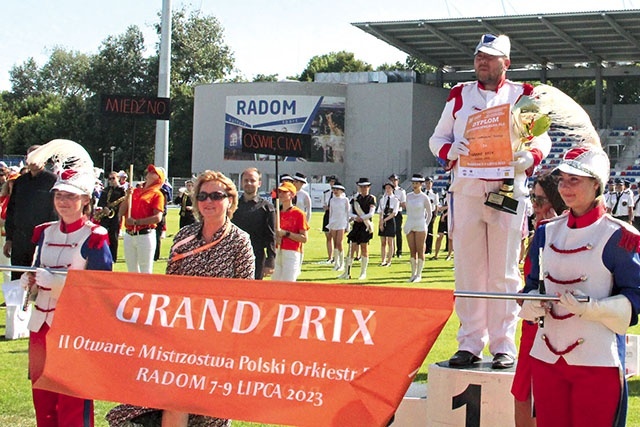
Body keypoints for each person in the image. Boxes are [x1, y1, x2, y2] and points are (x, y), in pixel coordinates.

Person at [429, 33, 552, 369]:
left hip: (508, 190)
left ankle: (503, 344)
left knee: (504, 272)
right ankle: (469, 343)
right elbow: (437, 138)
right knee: (469, 271)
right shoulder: (459, 95)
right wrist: (449, 151)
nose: (482, 61)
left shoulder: (523, 95)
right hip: (467, 191)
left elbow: (541, 137)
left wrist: (530, 158)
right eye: (478, 56)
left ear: (505, 63)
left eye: (490, 57)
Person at [519, 147, 640, 427]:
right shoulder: (546, 231)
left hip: (598, 361)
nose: (565, 187)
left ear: (596, 183)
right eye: (562, 180)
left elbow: (634, 300)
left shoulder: (621, 237)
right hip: (546, 358)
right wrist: (531, 301)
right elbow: (531, 285)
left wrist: (594, 308)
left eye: (575, 180)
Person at [21, 166, 113, 427]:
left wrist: (59, 283)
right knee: (43, 396)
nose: (63, 201)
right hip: (41, 325)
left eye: (71, 196)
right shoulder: (45, 232)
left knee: (73, 396)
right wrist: (32, 282)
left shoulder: (95, 237)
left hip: (76, 328)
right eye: (59, 194)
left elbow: (101, 290)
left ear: (85, 200)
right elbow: (37, 270)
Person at [511, 172, 566, 427]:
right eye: (532, 196)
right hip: (531, 325)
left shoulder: (560, 233)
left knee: (549, 398)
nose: (534, 204)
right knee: (522, 393)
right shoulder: (538, 231)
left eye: (539, 198)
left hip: (557, 328)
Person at [3, 145, 58, 280]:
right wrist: (9, 239)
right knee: (18, 278)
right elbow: (12, 211)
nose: (33, 160)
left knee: (41, 279)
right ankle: (17, 302)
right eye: (30, 157)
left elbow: (56, 212)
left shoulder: (53, 181)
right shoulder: (20, 182)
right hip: (19, 239)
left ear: (44, 159)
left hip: (43, 238)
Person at [118, 165, 165, 274]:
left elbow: (158, 217)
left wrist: (136, 222)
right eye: (150, 171)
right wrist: (127, 197)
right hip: (129, 235)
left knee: (145, 270)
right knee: (131, 270)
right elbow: (121, 212)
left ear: (158, 178)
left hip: (145, 235)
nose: (149, 172)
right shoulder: (134, 191)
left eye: (154, 172)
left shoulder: (157, 194)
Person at [232, 167, 276, 280]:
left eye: (252, 180)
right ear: (241, 183)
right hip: (232, 256)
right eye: (246, 180)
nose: (249, 183)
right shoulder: (232, 206)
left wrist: (270, 260)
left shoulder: (267, 208)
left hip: (256, 256)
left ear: (259, 183)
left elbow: (272, 236)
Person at [339, 178, 376, 280]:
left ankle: (363, 272)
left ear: (369, 187)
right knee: (351, 249)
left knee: (364, 248)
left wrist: (362, 218)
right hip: (356, 225)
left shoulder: (371, 199)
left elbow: (371, 213)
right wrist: (356, 218)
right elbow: (349, 212)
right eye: (361, 187)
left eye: (365, 187)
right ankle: (346, 272)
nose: (363, 189)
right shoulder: (355, 199)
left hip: (365, 225)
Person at [272, 181, 309, 282]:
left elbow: (304, 238)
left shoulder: (299, 214)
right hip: (277, 250)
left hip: (292, 251)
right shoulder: (276, 213)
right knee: (275, 283)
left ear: (292, 194)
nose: (281, 194)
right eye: (280, 192)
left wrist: (286, 233)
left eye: (285, 192)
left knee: (288, 282)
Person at [404, 174, 432, 283]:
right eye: (413, 183)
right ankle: (413, 273)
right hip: (410, 223)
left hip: (420, 224)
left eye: (417, 183)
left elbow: (430, 213)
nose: (414, 185)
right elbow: (408, 211)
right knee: (412, 250)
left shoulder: (424, 197)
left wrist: (426, 225)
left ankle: (419, 274)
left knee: (420, 250)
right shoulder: (408, 196)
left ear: (421, 185)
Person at [95, 171, 126, 261]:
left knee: (113, 236)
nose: (111, 180)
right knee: (103, 235)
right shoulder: (106, 190)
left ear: (118, 179)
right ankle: (103, 255)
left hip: (115, 216)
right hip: (105, 215)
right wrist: (105, 208)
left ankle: (113, 257)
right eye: (110, 179)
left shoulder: (122, 191)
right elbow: (101, 202)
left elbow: (123, 203)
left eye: (113, 178)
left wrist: (114, 210)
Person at [327, 182, 349, 272]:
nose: (335, 191)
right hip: (333, 222)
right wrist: (329, 225)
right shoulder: (332, 200)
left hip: (342, 222)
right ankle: (336, 263)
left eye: (337, 190)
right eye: (334, 189)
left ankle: (342, 263)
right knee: (335, 242)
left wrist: (347, 225)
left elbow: (347, 213)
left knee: (339, 242)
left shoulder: (345, 200)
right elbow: (331, 213)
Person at [378, 181, 399, 267]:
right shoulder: (382, 199)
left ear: (392, 189)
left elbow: (394, 213)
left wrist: (385, 220)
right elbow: (380, 211)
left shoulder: (395, 200)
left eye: (389, 188)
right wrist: (381, 222)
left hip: (390, 220)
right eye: (386, 188)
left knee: (390, 242)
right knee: (383, 242)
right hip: (383, 219)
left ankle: (389, 261)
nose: (387, 190)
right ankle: (383, 260)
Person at [388, 174, 406, 258]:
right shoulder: (388, 191)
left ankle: (399, 251)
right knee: (390, 233)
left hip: (398, 212)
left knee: (398, 232)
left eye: (395, 180)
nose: (393, 182)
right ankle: (392, 251)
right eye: (392, 180)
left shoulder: (401, 191)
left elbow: (404, 203)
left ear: (397, 181)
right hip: (389, 213)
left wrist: (397, 203)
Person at [322, 175, 338, 263]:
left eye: (333, 182)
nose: (332, 183)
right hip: (327, 215)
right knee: (328, 237)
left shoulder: (339, 194)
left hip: (335, 215)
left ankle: (336, 256)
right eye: (331, 182)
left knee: (336, 237)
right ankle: (329, 257)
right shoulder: (327, 193)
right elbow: (324, 203)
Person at [424, 177, 440, 255]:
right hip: (423, 214)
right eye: (426, 183)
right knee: (422, 231)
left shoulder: (434, 193)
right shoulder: (422, 192)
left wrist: (435, 215)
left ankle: (429, 249)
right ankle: (423, 247)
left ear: (432, 184)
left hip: (431, 213)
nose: (428, 185)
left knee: (429, 231)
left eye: (429, 183)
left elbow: (436, 205)